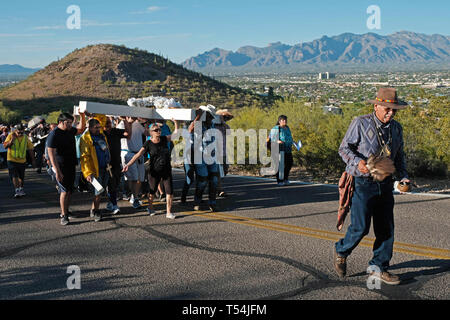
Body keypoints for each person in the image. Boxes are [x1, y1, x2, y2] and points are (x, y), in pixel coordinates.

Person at [334, 87, 410, 286]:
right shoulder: (360, 123)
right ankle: (342, 250)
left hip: (385, 184)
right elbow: (344, 149)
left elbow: (399, 156)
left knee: (386, 229)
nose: (390, 112)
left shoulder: (396, 129)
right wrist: (357, 163)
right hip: (363, 182)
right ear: (376, 106)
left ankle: (379, 267)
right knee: (360, 228)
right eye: (386, 108)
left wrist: (404, 177)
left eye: (393, 109)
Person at [123, 119, 179, 219]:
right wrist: (128, 164)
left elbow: (175, 135)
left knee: (169, 191)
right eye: (156, 130)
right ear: (151, 132)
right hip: (154, 171)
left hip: (166, 170)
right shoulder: (148, 143)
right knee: (152, 191)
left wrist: (176, 123)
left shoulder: (164, 139)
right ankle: (150, 207)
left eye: (159, 130)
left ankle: (169, 212)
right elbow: (138, 155)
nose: (159, 131)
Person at [47, 112, 86, 226]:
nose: (70, 125)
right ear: (60, 122)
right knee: (64, 191)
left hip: (71, 165)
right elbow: (51, 154)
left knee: (69, 190)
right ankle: (63, 216)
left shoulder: (69, 130)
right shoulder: (54, 135)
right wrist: (57, 171)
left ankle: (66, 211)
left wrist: (82, 116)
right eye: (67, 123)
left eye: (71, 122)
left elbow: (81, 129)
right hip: (60, 166)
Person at [189, 105, 220, 212]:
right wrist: (198, 117)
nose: (211, 118)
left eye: (211, 116)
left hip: (212, 155)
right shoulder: (198, 124)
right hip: (200, 156)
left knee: (214, 180)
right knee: (202, 180)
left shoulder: (211, 125)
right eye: (209, 116)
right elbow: (190, 130)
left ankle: (212, 202)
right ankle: (197, 201)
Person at [80, 118, 112, 222]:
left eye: (99, 127)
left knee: (100, 192)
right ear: (89, 128)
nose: (98, 129)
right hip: (94, 170)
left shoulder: (101, 135)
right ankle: (97, 211)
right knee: (98, 191)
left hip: (105, 168)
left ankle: (93, 209)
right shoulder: (85, 138)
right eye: (96, 128)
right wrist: (88, 173)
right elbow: (85, 157)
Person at [118, 118, 148, 209]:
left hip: (139, 153)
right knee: (133, 178)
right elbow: (128, 136)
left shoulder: (137, 124)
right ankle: (134, 197)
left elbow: (147, 133)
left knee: (140, 178)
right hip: (128, 153)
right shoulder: (121, 125)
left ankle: (134, 196)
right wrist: (129, 123)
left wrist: (146, 122)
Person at [103, 116, 131, 215]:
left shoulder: (115, 131)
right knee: (108, 185)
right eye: (105, 123)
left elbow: (128, 134)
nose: (107, 124)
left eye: (109, 122)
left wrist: (125, 120)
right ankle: (112, 204)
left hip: (116, 163)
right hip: (104, 164)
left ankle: (112, 203)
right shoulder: (100, 133)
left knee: (114, 184)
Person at [3, 124, 36, 197]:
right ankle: (17, 190)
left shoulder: (25, 137)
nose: (20, 134)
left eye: (22, 132)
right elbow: (5, 146)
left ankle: (21, 189)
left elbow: (30, 149)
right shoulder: (10, 135)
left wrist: (33, 160)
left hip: (22, 160)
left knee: (21, 177)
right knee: (14, 175)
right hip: (11, 160)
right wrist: (12, 140)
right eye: (19, 132)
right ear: (15, 131)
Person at [270, 115, 294, 186]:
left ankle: (285, 178)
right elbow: (272, 138)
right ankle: (280, 180)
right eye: (283, 120)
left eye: (285, 120)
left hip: (288, 149)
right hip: (280, 149)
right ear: (279, 121)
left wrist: (293, 142)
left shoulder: (287, 127)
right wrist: (278, 141)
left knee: (289, 163)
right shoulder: (276, 128)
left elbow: (289, 136)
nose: (285, 121)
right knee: (280, 165)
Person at [214, 109, 233, 197]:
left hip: (224, 152)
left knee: (224, 170)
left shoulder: (225, 126)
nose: (225, 119)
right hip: (215, 152)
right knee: (218, 171)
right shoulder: (213, 125)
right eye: (224, 117)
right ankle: (219, 189)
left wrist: (223, 122)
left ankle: (216, 186)